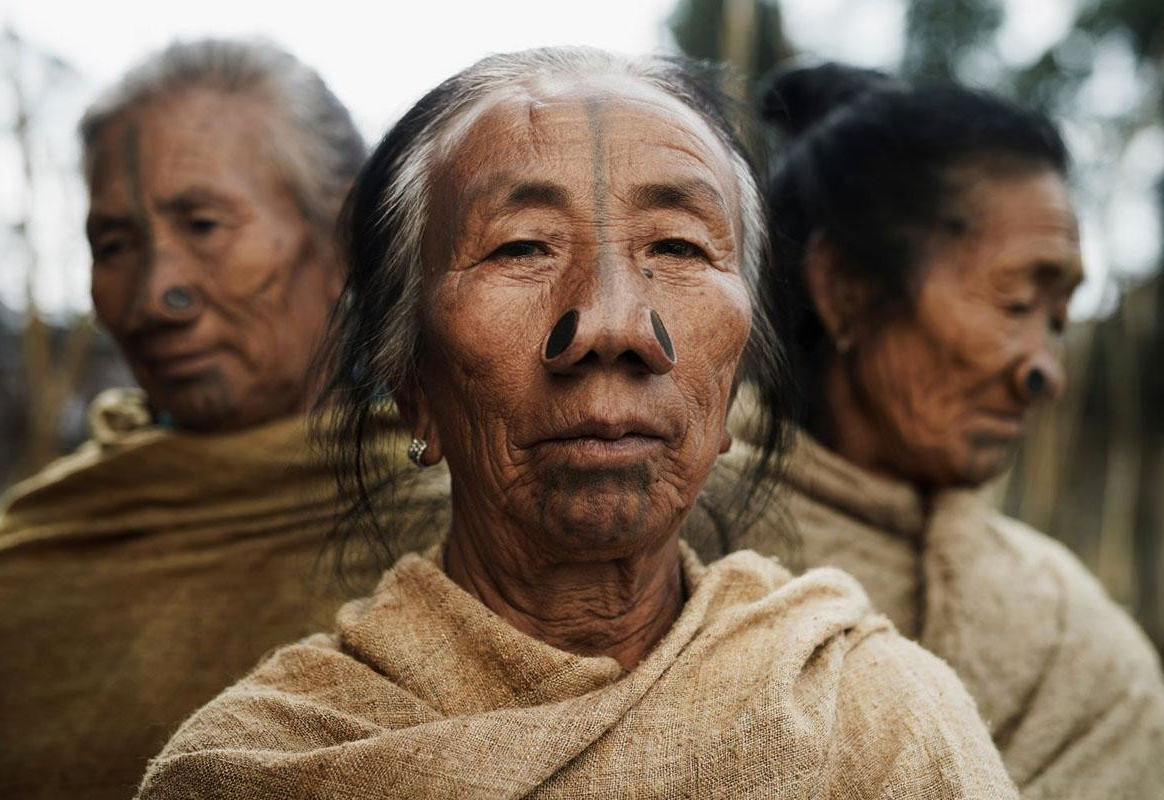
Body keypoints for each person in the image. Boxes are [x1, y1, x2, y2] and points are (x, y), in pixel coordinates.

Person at [135, 47, 1017, 800]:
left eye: (678, 247)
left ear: (737, 380)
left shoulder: (875, 719)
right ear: (411, 382)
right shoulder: (265, 764)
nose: (611, 326)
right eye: (521, 247)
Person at [0, 39, 447, 800]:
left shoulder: (470, 529)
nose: (157, 295)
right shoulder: (31, 551)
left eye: (203, 224)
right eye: (113, 244)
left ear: (349, 234)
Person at [701, 62, 1164, 799]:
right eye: (1016, 300)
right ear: (846, 289)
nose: (1048, 372)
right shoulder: (645, 553)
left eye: (1056, 320)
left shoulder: (1080, 645)